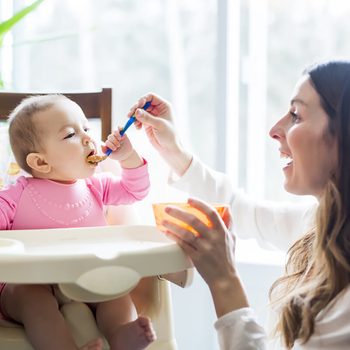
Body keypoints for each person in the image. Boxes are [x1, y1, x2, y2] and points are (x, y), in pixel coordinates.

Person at [129, 60, 350, 349]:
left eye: (296, 115)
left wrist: (224, 280)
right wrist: (175, 151)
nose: (274, 129)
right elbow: (241, 210)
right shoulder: (325, 222)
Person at [0, 95, 156, 350]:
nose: (87, 138)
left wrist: (128, 157)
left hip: (86, 277)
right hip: (28, 281)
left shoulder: (97, 186)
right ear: (40, 162)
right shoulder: (16, 196)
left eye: (86, 128)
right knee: (33, 302)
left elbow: (134, 190)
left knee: (115, 294)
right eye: (70, 135)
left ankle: (121, 334)